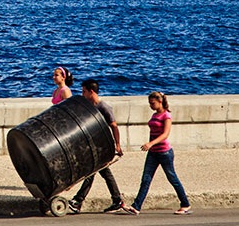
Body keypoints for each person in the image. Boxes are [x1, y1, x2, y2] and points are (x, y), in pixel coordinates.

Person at [123, 91, 191, 215]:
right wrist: (150, 145)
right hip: (153, 153)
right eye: (149, 104)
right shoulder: (154, 115)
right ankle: (136, 206)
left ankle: (185, 204)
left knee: (172, 178)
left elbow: (165, 134)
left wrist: (150, 143)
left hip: (164, 153)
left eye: (152, 103)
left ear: (160, 102)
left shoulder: (166, 116)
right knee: (146, 179)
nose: (151, 106)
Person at [69, 79, 125, 214]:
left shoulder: (104, 107)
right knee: (98, 173)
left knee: (93, 172)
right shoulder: (89, 107)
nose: (82, 94)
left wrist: (117, 145)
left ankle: (78, 201)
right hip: (93, 146)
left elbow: (114, 126)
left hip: (104, 146)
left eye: (84, 92)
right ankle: (116, 200)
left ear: (91, 92)